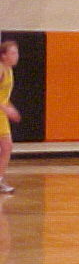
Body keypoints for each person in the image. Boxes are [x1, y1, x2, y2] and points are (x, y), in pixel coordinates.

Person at [0, 41, 20, 194]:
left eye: (17, 53)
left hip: (1, 115)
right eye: (12, 53)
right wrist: (6, 108)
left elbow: (3, 97)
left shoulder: (9, 70)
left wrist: (10, 108)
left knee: (7, 147)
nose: (16, 56)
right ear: (3, 55)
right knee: (7, 146)